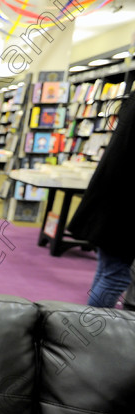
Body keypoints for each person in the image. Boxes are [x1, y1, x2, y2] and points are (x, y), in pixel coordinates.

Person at [68, 95, 135, 308]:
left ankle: (85, 324)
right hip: (124, 205)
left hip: (112, 197)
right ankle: (89, 332)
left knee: (107, 269)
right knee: (116, 276)